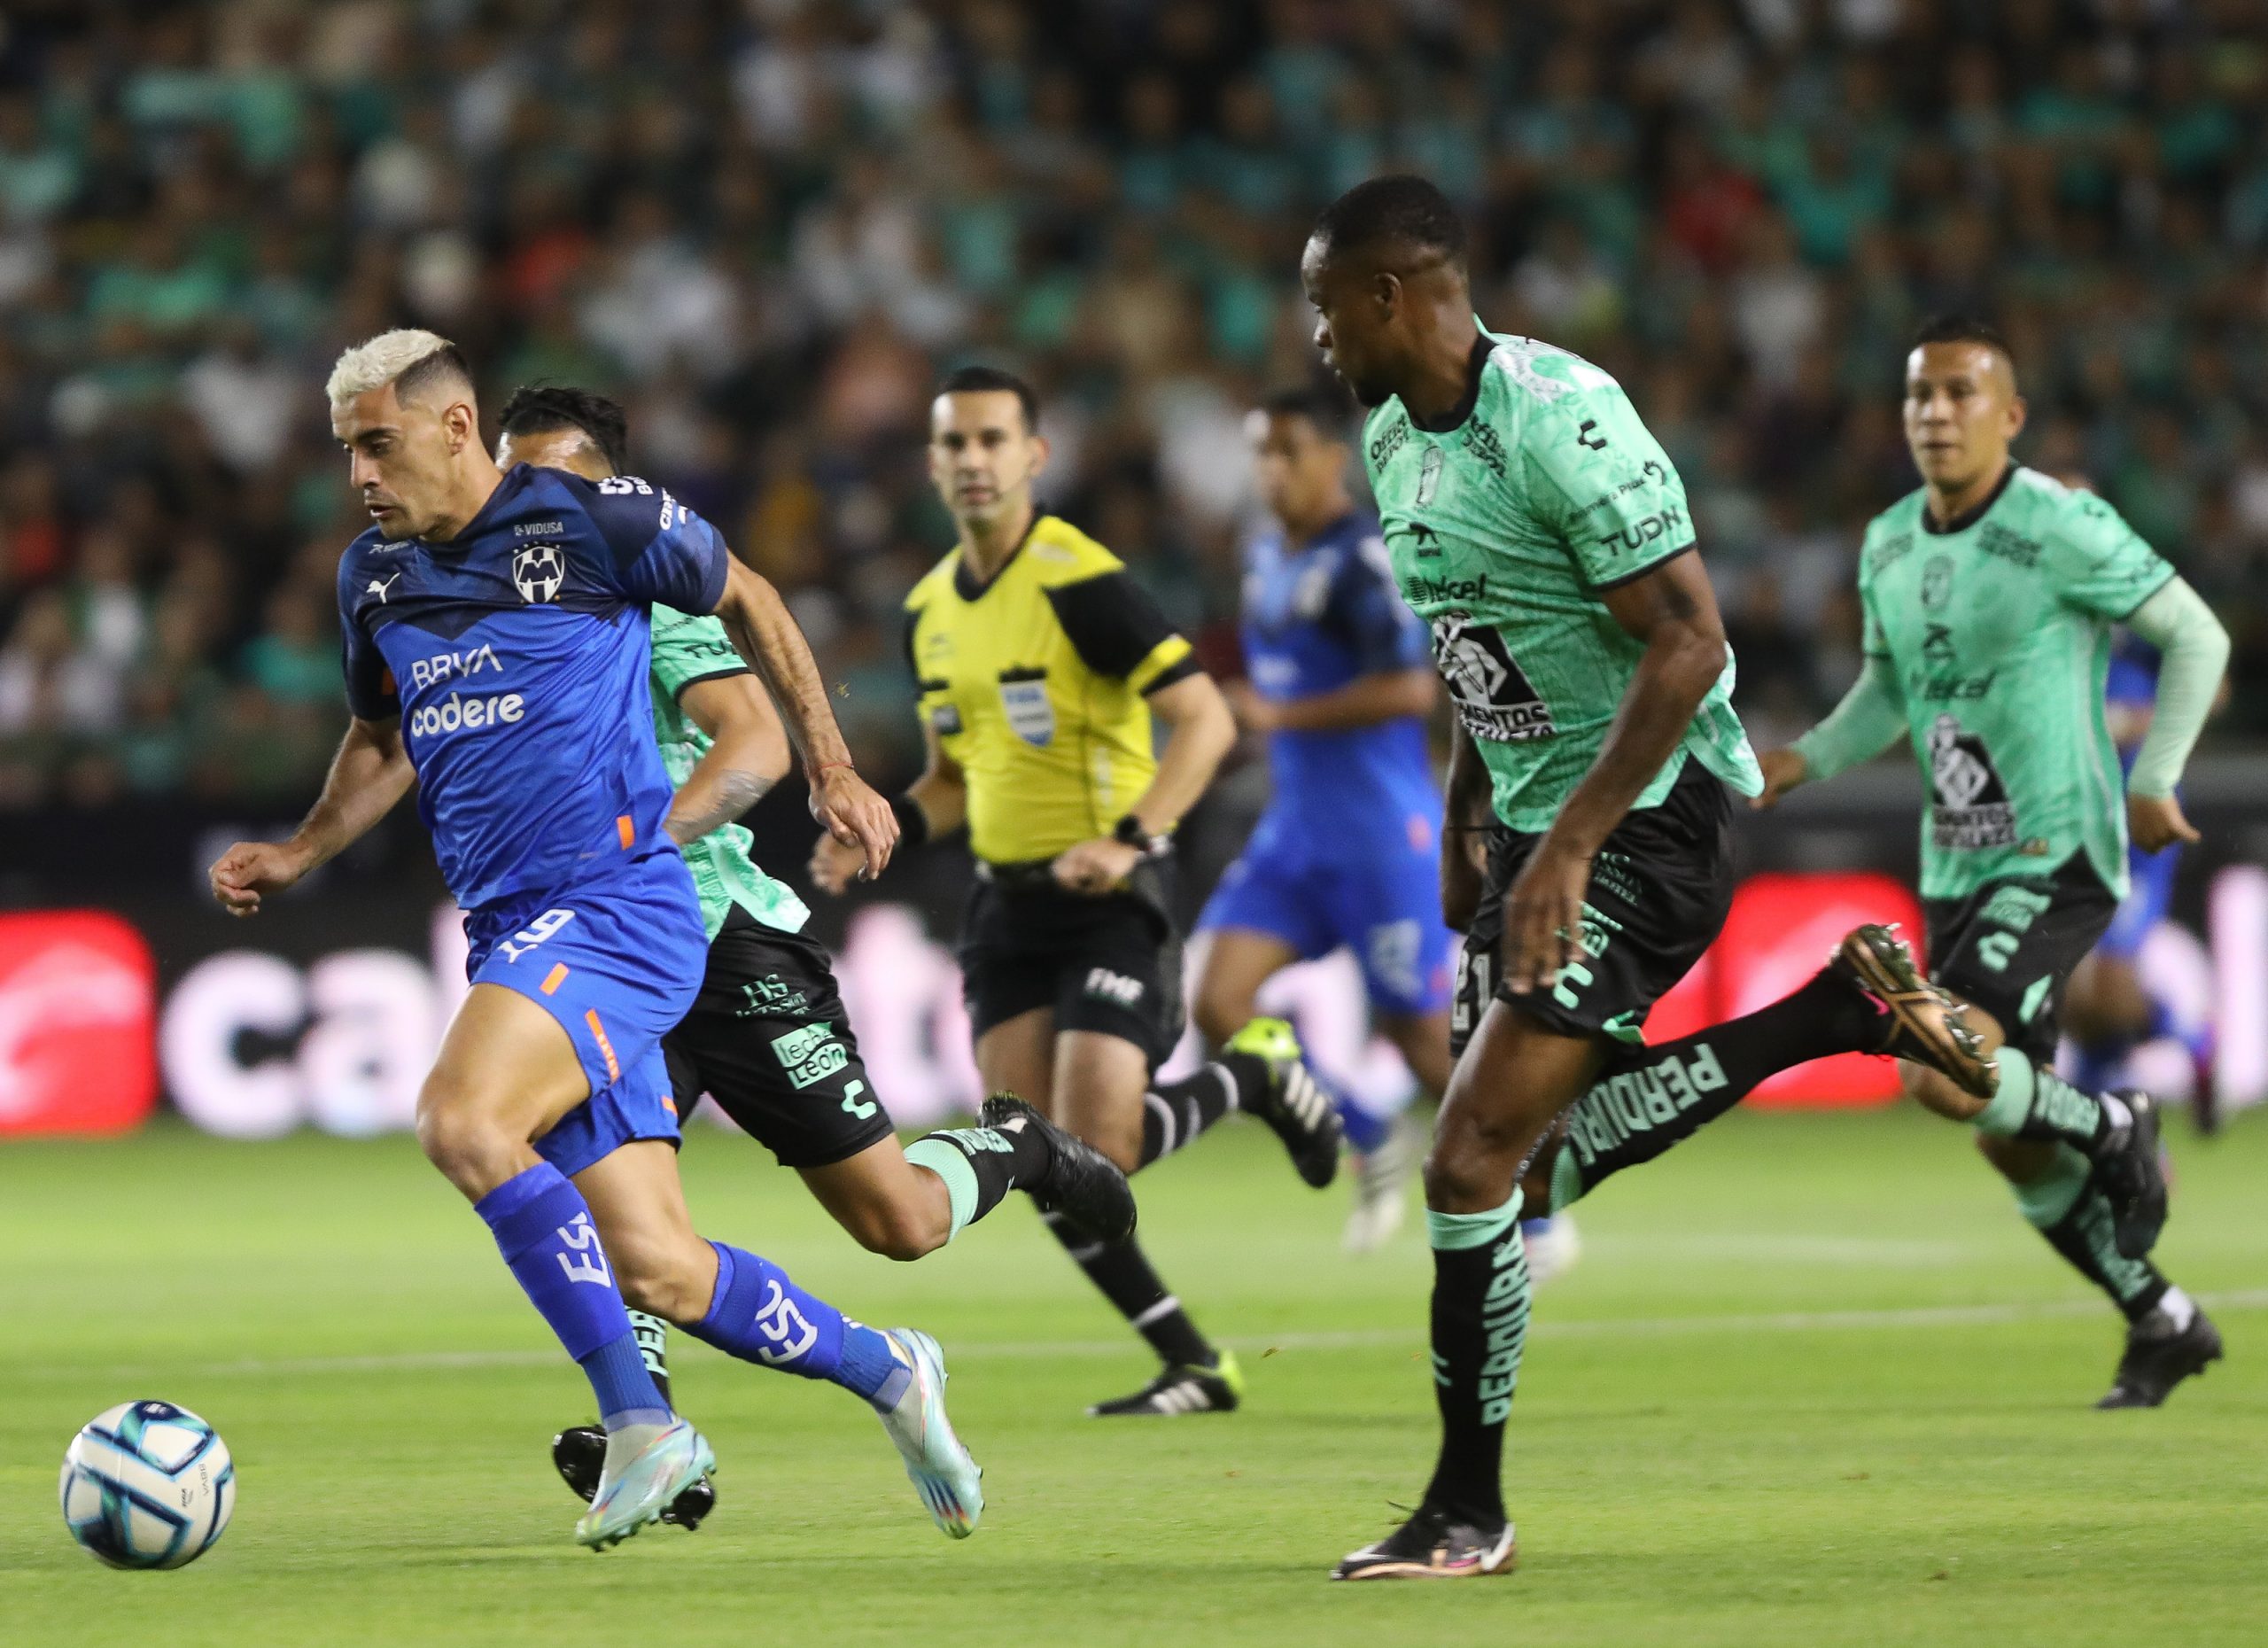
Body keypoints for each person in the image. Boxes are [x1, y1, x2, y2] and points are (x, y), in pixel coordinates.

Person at [1297, 177, 2000, 1582]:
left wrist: (1564, 846)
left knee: (1466, 1158)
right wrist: (1462, 812)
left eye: (1325, 307)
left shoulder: (1559, 419)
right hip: (1532, 827)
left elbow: (1685, 643)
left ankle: (1466, 1512)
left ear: (1389, 296)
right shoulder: (1390, 437)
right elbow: (1467, 641)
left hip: (1645, 821)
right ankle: (1830, 1015)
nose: (1313, 338)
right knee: (1528, 1174)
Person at [208, 330, 976, 1551]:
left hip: (620, 905)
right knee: (661, 1270)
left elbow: (751, 599)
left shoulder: (593, 524)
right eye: (346, 448)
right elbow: (378, 738)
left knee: (462, 1120)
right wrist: (304, 849)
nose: (357, 474)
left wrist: (830, 767)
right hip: (512, 925)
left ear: (455, 427)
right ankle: (891, 1370)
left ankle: (642, 1425)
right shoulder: (375, 580)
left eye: (376, 443)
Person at [489, 385, 1135, 1526]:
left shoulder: (640, 590)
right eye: (509, 479)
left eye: (544, 479)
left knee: (899, 1223)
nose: (520, 505)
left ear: (599, 483)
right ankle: (647, 1426)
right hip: (601, 953)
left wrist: (643, 845)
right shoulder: (494, 603)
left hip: (716, 935)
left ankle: (1014, 1145)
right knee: (601, 1200)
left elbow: (750, 734)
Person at [812, 364, 1342, 1417]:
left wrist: (1132, 835)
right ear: (932, 463)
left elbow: (1208, 720)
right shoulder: (928, 613)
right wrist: (885, 825)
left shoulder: (1081, 581)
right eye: (954, 444)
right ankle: (1193, 1362)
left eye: (992, 441)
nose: (972, 461)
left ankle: (1257, 1081)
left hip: (1112, 894)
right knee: (1028, 1147)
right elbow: (956, 780)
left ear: (1033, 457)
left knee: (1103, 1148)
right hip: (1006, 909)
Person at [1752, 318, 2230, 1407]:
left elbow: (2198, 634)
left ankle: (2117, 1121)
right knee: (2005, 1138)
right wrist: (1802, 758)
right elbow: (1887, 691)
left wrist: (2153, 773)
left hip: (2054, 851)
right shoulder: (1886, 543)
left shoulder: (2059, 524)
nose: (1936, 413)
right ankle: (2161, 1319)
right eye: (1920, 395)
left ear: (2009, 417)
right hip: (1956, 865)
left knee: (1938, 1068)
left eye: (1962, 394)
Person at [1191, 382, 1577, 1273]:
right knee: (1215, 1003)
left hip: (1376, 831)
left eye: (1287, 451)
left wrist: (1276, 713)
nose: (1270, 470)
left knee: (1416, 1035)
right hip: (1294, 830)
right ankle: (1369, 1131)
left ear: (1332, 458)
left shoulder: (1368, 559)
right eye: (1260, 452)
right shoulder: (1261, 557)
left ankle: (1537, 1200)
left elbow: (1413, 688)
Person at [2062, 626, 2218, 1125]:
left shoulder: (2146, 610)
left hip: (2139, 828)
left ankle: (2113, 1122)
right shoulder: (2042, 618)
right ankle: (2184, 1047)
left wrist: (2141, 722)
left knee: (2110, 980)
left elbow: (2216, 683)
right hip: (2072, 827)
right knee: (2070, 999)